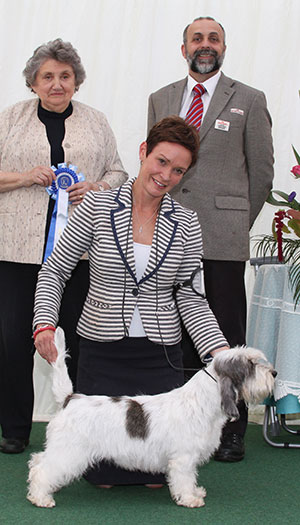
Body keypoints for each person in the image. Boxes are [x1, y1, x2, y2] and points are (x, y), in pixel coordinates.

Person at [33, 116, 229, 487]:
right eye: (161, 161)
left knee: (156, 478)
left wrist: (216, 351)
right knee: (102, 477)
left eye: (178, 170)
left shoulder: (187, 223)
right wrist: (43, 322)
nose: (166, 175)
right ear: (143, 152)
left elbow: (191, 296)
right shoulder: (96, 208)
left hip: (159, 359)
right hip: (102, 353)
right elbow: (55, 270)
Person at [147, 17, 274, 462]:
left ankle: (232, 429)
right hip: (169, 235)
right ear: (183, 48)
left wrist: (236, 221)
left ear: (224, 47)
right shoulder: (160, 98)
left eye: (213, 38)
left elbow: (261, 173)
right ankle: (181, 428)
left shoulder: (250, 100)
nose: (205, 45)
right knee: (176, 333)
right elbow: (154, 164)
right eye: (196, 38)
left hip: (223, 239)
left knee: (225, 332)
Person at [0, 38, 127, 455]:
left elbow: (119, 172)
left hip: (80, 254)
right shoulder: (11, 119)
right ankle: (15, 429)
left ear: (76, 80)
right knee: (13, 339)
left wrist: (94, 186)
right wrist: (23, 177)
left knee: (79, 339)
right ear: (33, 82)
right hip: (17, 251)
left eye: (65, 76)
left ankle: (84, 429)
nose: (57, 84)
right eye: (48, 76)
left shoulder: (95, 121)